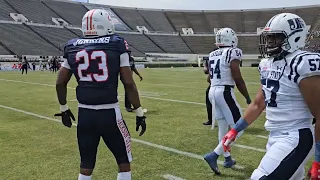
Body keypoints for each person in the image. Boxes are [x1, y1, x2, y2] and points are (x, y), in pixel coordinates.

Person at [221, 13, 320, 179]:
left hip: (296, 136)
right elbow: (258, 104)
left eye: (276, 38)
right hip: (275, 135)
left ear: (295, 37)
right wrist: (235, 130)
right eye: (269, 38)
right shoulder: (267, 63)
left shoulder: (301, 63)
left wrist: (318, 159)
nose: (269, 43)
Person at [54, 9, 146, 180]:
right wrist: (139, 111)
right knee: (123, 162)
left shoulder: (72, 45)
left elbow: (60, 82)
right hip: (109, 112)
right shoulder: (116, 43)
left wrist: (64, 108)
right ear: (105, 24)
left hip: (84, 114)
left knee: (86, 165)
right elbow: (128, 82)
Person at [203, 27, 251, 175]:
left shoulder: (212, 54)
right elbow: (237, 77)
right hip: (224, 91)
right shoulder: (232, 52)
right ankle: (214, 154)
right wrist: (247, 97)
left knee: (223, 126)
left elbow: (209, 77)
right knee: (239, 128)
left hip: (212, 91)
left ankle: (227, 159)